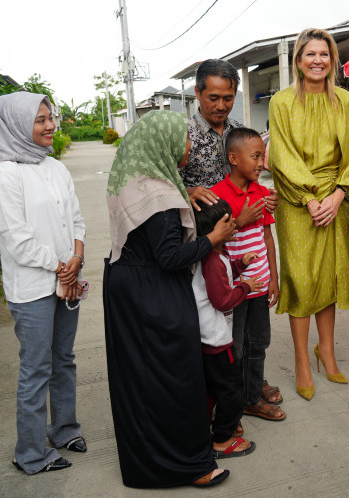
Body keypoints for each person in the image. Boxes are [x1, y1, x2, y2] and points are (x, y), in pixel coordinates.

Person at [103, 111, 235, 488]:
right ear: (165, 143)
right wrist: (215, 238)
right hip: (152, 295)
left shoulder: (135, 178)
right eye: (186, 140)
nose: (190, 148)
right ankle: (188, 465)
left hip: (129, 286)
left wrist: (185, 190)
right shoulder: (159, 197)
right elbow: (170, 256)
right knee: (173, 377)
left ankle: (150, 461)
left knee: (141, 381)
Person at [0, 92, 86, 474]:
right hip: (33, 289)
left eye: (50, 118)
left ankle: (64, 428)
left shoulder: (55, 167)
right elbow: (16, 238)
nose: (51, 125)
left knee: (64, 361)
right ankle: (30, 453)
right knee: (36, 369)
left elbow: (76, 219)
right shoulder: (6, 173)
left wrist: (75, 258)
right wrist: (62, 267)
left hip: (65, 278)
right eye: (40, 120)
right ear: (17, 124)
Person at [268, 28, 349, 400]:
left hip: (335, 199)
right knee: (300, 280)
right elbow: (281, 156)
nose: (317, 61)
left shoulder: (344, 100)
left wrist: (340, 195)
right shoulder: (281, 102)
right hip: (297, 203)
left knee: (328, 277)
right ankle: (301, 361)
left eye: (324, 54)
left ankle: (326, 351)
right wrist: (310, 199)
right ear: (298, 60)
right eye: (310, 54)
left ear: (332, 60)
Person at [182, 58, 283, 405]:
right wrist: (187, 191)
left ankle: (249, 385)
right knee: (214, 328)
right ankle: (222, 394)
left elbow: (255, 177)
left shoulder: (239, 130)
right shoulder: (183, 137)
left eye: (227, 97)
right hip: (203, 248)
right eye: (213, 97)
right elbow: (160, 185)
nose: (221, 105)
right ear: (198, 93)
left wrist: (265, 203)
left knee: (248, 329)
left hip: (245, 246)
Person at [211, 128, 286, 421]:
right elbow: (213, 243)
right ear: (233, 158)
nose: (260, 163)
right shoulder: (217, 196)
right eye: (255, 156)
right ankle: (235, 400)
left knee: (259, 343)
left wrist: (273, 279)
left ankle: (252, 396)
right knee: (235, 348)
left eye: (262, 156)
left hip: (259, 286)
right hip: (234, 289)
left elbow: (268, 237)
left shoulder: (262, 193)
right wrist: (240, 221)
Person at [192, 199, 261, 459]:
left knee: (212, 390)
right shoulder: (213, 260)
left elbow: (223, 276)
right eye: (229, 221)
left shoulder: (213, 255)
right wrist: (245, 287)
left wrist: (240, 263)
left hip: (205, 339)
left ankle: (205, 432)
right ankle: (222, 439)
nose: (235, 224)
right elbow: (222, 300)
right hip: (218, 341)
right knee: (233, 392)